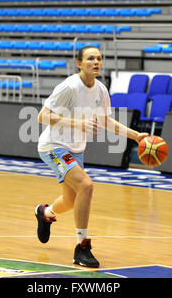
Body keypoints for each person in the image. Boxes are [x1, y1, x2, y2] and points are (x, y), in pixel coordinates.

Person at [34, 45, 148, 268]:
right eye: (90, 58)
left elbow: (106, 121)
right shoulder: (69, 86)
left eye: (99, 58)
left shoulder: (101, 90)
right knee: (87, 185)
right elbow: (42, 116)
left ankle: (45, 213)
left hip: (75, 149)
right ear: (79, 63)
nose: (96, 62)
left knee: (70, 201)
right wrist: (79, 123)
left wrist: (136, 136)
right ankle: (81, 247)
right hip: (53, 146)